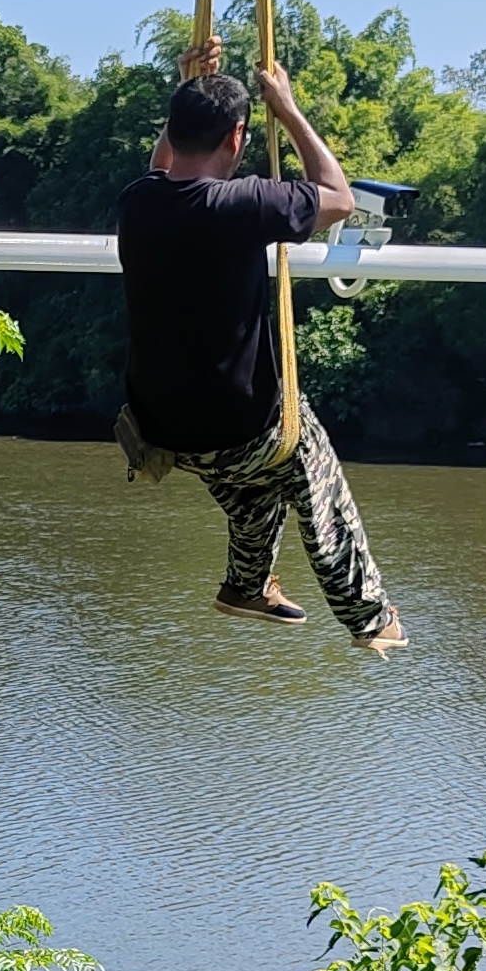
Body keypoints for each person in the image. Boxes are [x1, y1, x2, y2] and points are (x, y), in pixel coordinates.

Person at [113, 40, 407, 649]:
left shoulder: (138, 203)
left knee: (253, 485)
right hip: (242, 430)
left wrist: (188, 91)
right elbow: (340, 198)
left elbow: (159, 169)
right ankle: (370, 617)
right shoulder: (244, 203)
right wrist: (291, 109)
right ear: (238, 139)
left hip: (161, 431)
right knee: (313, 469)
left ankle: (246, 586)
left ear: (176, 129)